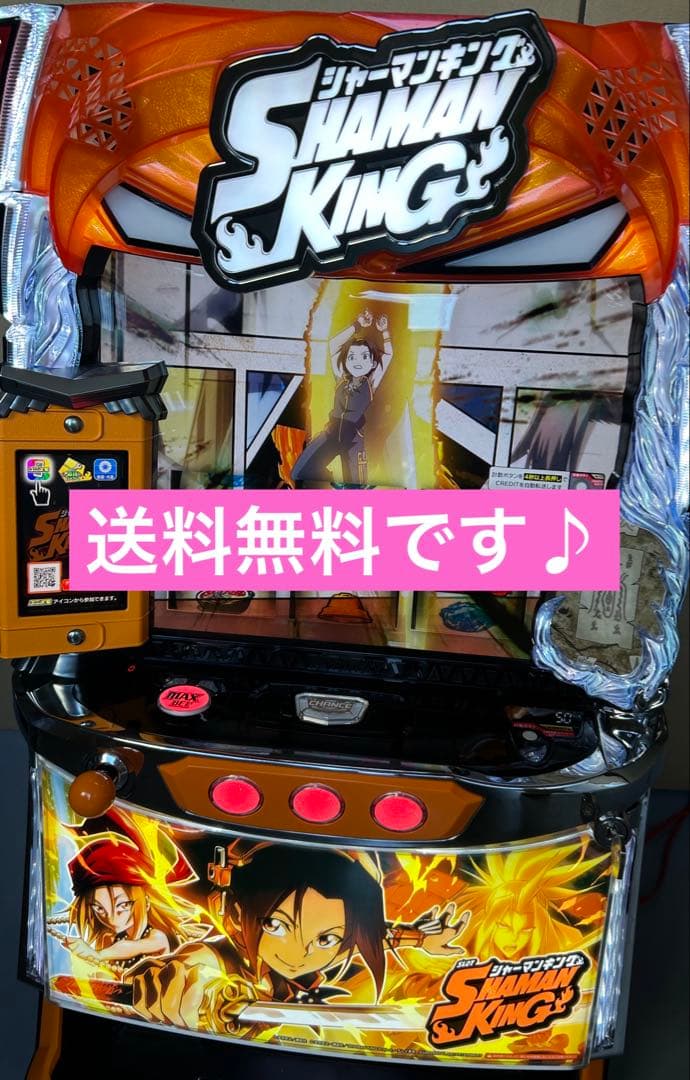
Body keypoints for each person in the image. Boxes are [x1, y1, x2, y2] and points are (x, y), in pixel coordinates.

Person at [129, 842, 468, 1032]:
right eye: (275, 926)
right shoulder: (223, 957)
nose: (298, 953)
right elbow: (192, 965)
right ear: (233, 913)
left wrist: (421, 940)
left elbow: (375, 937)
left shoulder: (344, 945)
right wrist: (175, 983)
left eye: (325, 940)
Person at [50, 808, 206, 976]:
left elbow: (130, 948)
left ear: (146, 901)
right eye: (99, 908)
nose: (112, 920)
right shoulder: (113, 937)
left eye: (123, 905)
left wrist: (98, 954)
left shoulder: (158, 936)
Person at [291, 309, 393, 487]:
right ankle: (336, 481)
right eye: (352, 357)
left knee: (355, 489)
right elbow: (333, 345)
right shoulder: (340, 377)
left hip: (352, 440)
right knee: (299, 470)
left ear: (372, 363)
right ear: (345, 361)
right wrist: (358, 324)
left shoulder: (370, 383)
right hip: (331, 434)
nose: (357, 361)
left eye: (364, 357)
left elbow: (389, 355)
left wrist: (384, 331)